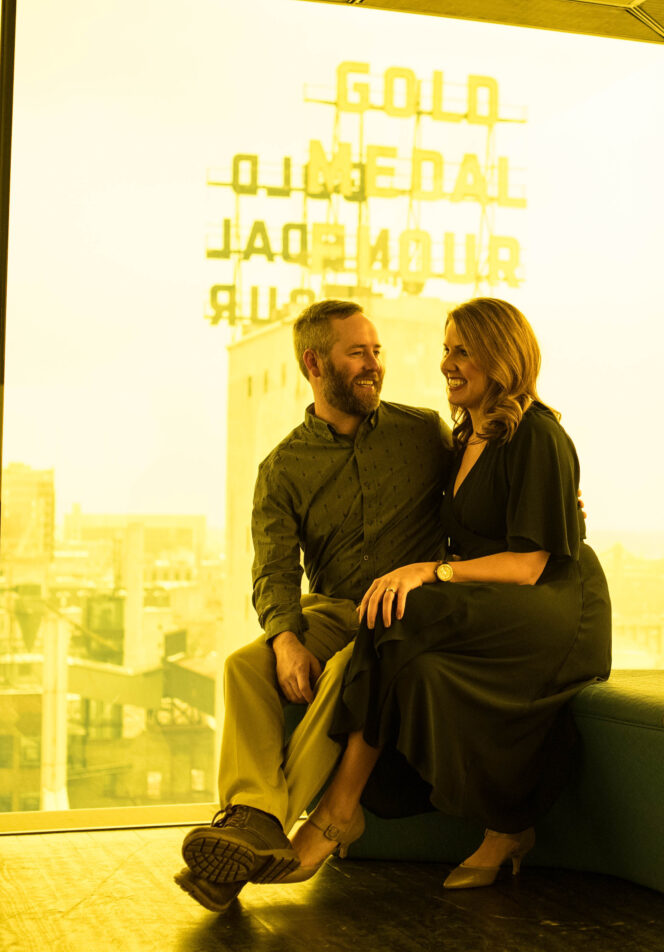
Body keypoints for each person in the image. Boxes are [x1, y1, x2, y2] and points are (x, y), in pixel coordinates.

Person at [283, 296, 611, 890]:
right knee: (413, 663)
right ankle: (506, 824)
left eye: (462, 350)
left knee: (400, 610)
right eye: (445, 349)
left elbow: (532, 564)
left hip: (556, 607)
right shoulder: (463, 438)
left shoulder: (536, 434)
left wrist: (428, 573)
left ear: (500, 356)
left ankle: (335, 813)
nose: (446, 363)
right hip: (504, 599)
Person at [175, 298, 452, 911]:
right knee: (242, 666)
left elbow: (489, 484)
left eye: (376, 351)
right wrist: (285, 639)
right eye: (358, 352)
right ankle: (253, 821)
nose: (373, 364)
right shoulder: (283, 467)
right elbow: (272, 568)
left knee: (349, 673)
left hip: (410, 611)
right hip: (334, 608)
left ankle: (256, 828)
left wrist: (561, 501)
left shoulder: (424, 432)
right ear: (314, 363)